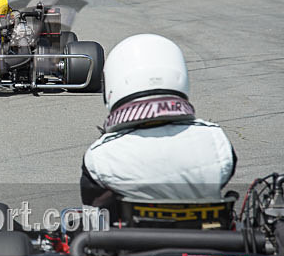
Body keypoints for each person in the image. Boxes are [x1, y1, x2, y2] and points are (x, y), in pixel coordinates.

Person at [80, 34, 236, 215]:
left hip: (132, 241)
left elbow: (94, 206)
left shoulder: (101, 156)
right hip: (210, 238)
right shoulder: (215, 140)